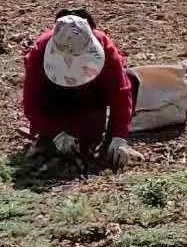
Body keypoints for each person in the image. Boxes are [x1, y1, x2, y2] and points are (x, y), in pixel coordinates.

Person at [22, 9, 141, 170]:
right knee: (66, 141)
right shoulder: (39, 50)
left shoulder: (104, 44)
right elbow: (31, 104)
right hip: (58, 97)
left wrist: (119, 135)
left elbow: (121, 91)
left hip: (91, 94)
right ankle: (51, 138)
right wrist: (54, 131)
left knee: (131, 78)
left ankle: (110, 145)